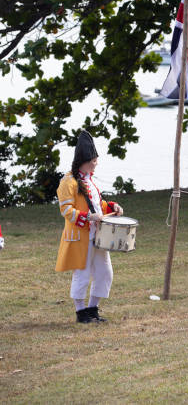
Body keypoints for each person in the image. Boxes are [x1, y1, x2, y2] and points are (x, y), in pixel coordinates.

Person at [55, 130, 123, 323]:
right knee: (82, 274)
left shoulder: (89, 181)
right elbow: (66, 210)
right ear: (84, 160)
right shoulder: (68, 182)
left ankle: (92, 309)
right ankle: (80, 312)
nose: (96, 163)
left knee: (105, 272)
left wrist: (111, 206)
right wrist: (88, 217)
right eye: (93, 160)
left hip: (97, 235)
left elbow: (96, 205)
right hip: (80, 236)